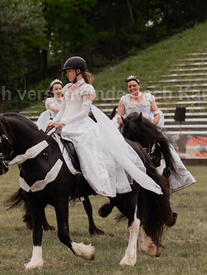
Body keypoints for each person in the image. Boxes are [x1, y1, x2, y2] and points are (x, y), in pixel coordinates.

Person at [46, 57, 161, 198]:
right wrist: (54, 121)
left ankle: (90, 181)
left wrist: (65, 122)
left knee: (84, 147)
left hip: (80, 125)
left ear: (78, 71)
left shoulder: (87, 89)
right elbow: (63, 109)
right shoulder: (67, 88)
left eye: (69, 71)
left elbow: (83, 113)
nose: (67, 74)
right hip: (64, 124)